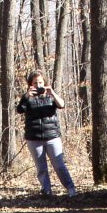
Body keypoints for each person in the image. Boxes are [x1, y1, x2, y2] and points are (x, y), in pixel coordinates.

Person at [15, 70, 77, 198]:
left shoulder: (50, 96)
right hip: (34, 138)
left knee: (59, 165)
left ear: (45, 82)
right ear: (30, 84)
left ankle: (70, 188)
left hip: (52, 136)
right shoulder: (27, 97)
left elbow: (62, 105)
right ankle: (46, 190)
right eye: (35, 83)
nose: (38, 85)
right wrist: (26, 96)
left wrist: (52, 92)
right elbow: (19, 110)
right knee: (41, 167)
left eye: (40, 82)